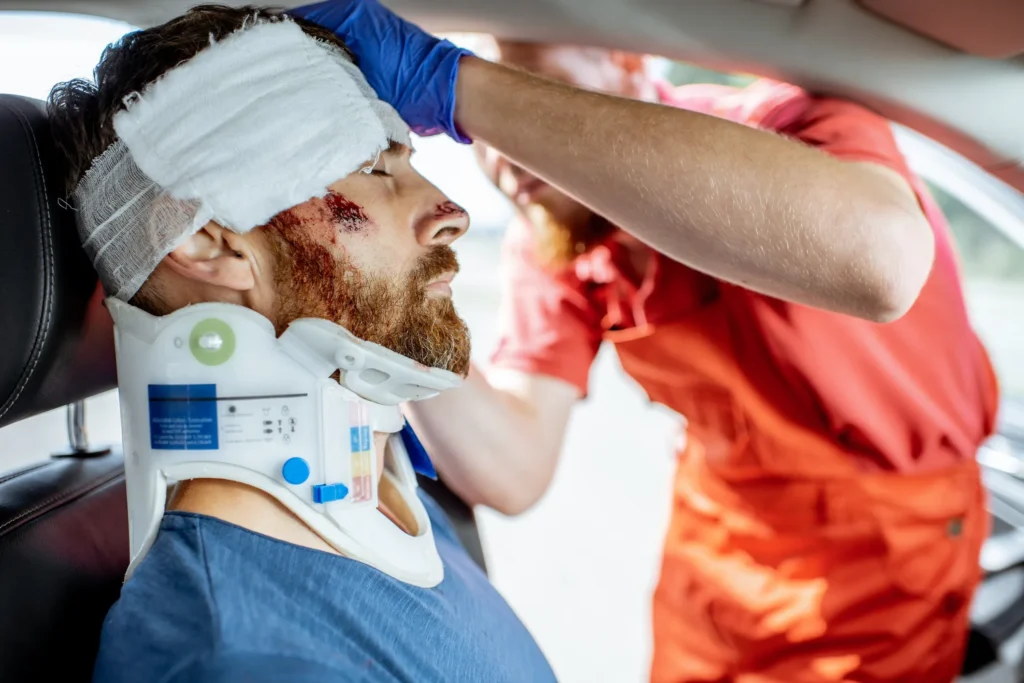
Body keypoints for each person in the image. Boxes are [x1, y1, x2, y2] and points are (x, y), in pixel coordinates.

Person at [291, 4, 998, 682]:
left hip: (883, 555)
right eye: (478, 130)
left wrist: (456, 85)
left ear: (627, 63)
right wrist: (386, 303)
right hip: (719, 543)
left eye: (532, 91)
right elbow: (512, 467)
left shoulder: (786, 131)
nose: (508, 151)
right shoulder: (561, 240)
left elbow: (880, 258)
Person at [49, 6, 556, 682]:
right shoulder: (236, 658)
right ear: (202, 239)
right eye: (372, 168)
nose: (452, 214)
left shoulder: (395, 506)